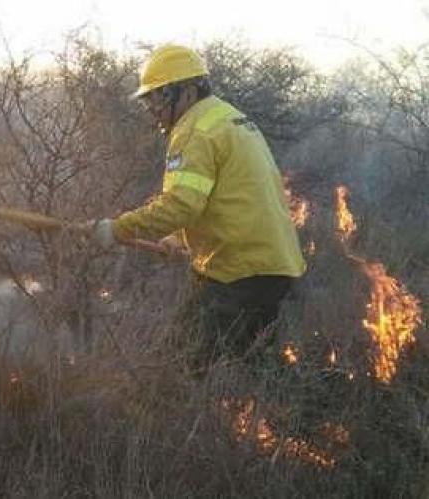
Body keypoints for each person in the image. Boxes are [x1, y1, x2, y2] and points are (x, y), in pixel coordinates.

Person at [89, 44, 306, 371]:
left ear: (187, 91)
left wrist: (116, 229)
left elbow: (180, 206)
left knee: (183, 367)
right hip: (270, 267)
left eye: (159, 96)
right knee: (247, 370)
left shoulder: (193, 131)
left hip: (238, 272)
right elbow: (222, 196)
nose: (153, 108)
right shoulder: (228, 118)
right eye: (149, 99)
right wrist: (179, 240)